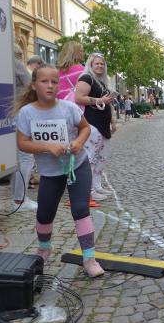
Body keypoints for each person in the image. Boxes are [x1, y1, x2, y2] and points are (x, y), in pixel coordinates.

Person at [14, 64, 104, 277]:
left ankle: (89, 258)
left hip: (77, 166)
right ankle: (44, 249)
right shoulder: (26, 113)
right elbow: (22, 143)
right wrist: (47, 147)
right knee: (44, 213)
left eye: (54, 82)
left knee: (80, 209)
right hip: (50, 173)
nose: (50, 85)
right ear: (34, 85)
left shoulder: (68, 108)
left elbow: (85, 128)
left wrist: (79, 143)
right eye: (44, 81)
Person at [74, 53, 116, 203]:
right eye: (96, 63)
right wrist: (99, 100)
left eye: (102, 64)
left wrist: (113, 121)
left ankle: (97, 186)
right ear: (91, 65)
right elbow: (78, 97)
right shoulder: (87, 78)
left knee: (102, 158)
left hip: (103, 125)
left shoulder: (102, 82)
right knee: (90, 158)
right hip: (91, 124)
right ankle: (89, 190)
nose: (100, 66)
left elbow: (108, 104)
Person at [11, 44, 36, 211]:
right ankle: (20, 198)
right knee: (25, 158)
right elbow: (31, 85)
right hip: (20, 113)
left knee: (17, 159)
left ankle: (17, 196)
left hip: (10, 113)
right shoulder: (16, 64)